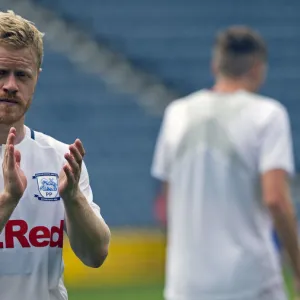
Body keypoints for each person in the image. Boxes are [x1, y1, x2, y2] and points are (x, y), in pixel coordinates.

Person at [151, 25, 300, 300]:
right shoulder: (268, 115)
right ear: (258, 68)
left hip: (186, 285)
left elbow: (166, 202)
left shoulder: (177, 113)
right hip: (250, 283)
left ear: (215, 65)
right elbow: (276, 199)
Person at [0, 10, 111, 300]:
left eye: (21, 75)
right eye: (1, 72)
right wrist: (9, 199)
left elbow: (96, 255)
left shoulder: (61, 159)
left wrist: (73, 198)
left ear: (36, 78)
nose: (10, 85)